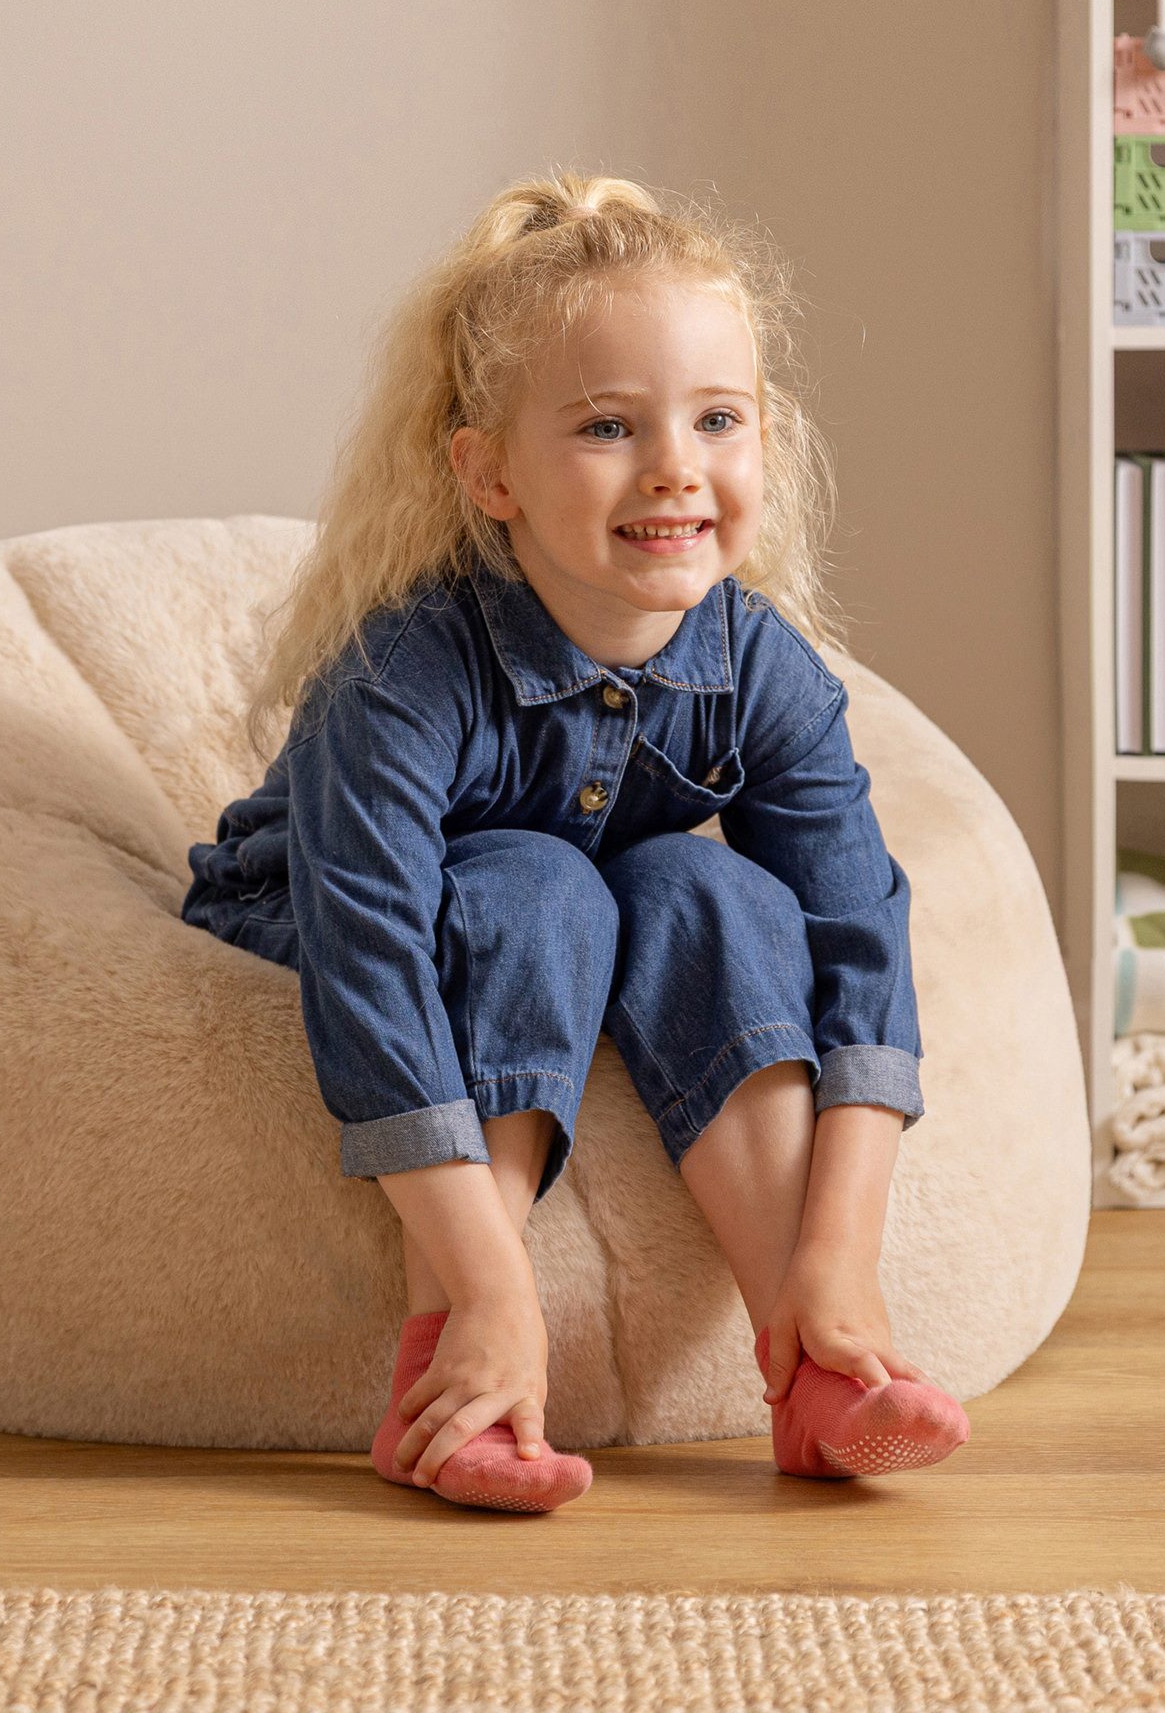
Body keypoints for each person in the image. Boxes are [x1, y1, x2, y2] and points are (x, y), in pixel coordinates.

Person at [180, 168, 970, 1513]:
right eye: (610, 426)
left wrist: (848, 1250)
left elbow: (858, 934)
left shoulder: (762, 668)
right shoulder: (404, 671)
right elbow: (367, 962)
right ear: (489, 472)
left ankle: (817, 1356)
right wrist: (502, 1283)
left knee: (703, 888)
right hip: (334, 908)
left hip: (587, 912)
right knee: (539, 883)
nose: (676, 465)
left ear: (762, 441)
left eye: (717, 419)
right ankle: (460, 1368)